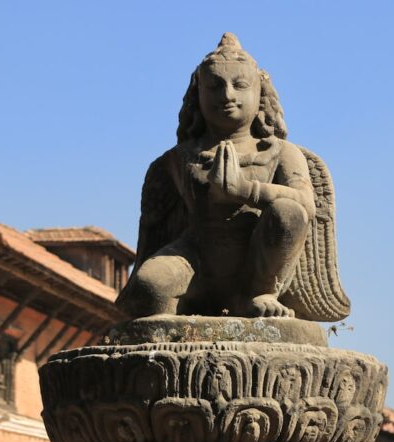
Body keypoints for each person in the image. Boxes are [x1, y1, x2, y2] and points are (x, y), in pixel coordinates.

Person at [118, 33, 325, 319]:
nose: (227, 95)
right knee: (149, 287)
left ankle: (259, 294)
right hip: (197, 258)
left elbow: (306, 204)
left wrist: (247, 190)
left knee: (288, 212)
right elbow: (156, 230)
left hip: (256, 262)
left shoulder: (281, 152)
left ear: (259, 92)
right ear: (198, 93)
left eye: (240, 85)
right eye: (215, 86)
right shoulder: (178, 158)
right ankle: (179, 316)